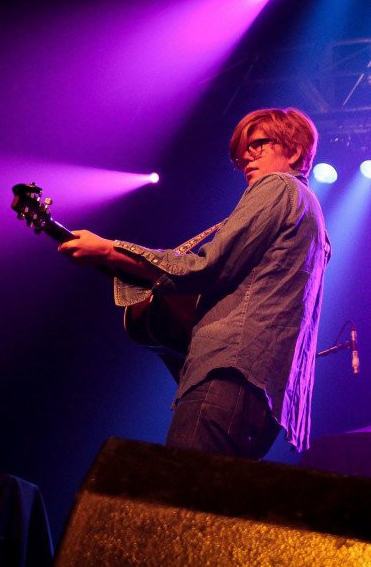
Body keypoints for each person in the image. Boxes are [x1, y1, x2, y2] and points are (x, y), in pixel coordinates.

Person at [59, 108, 329, 459]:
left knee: (178, 502)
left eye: (258, 145)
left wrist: (111, 251)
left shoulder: (277, 187)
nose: (246, 157)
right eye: (240, 154)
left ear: (294, 151)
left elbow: (206, 267)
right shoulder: (314, 218)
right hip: (268, 399)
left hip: (229, 377)